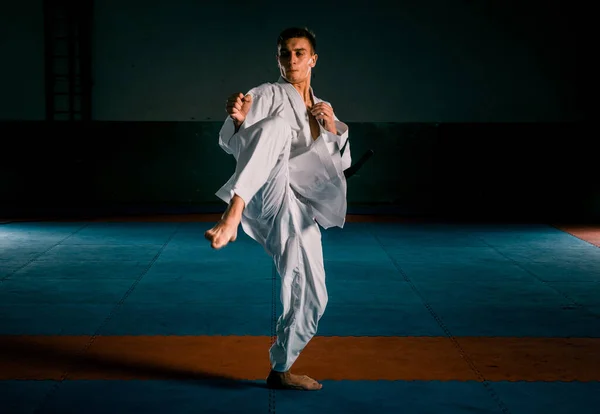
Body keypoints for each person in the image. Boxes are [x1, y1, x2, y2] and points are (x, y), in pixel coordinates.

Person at [204, 27, 351, 391]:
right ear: (278, 59)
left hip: (300, 208)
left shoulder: (323, 107)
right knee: (277, 127)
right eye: (285, 54)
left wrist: (331, 129)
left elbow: (340, 166)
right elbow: (230, 142)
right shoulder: (267, 94)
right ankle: (232, 212)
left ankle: (281, 368)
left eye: (299, 53)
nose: (291, 60)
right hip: (266, 192)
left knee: (314, 297)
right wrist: (239, 120)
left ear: (313, 59)